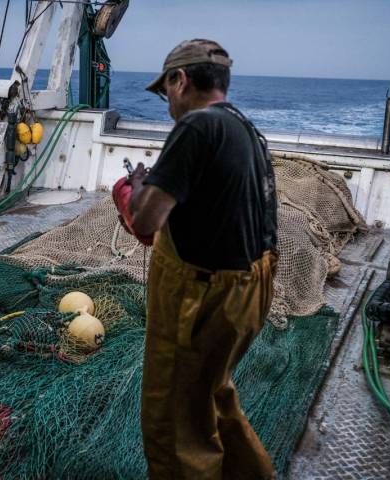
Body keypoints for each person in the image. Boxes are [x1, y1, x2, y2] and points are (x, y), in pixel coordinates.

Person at [112, 39, 278, 479]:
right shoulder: (247, 130)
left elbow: (146, 221)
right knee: (211, 394)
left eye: (166, 92)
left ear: (179, 80)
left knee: (174, 425)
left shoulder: (196, 128)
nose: (167, 104)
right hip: (248, 291)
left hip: (202, 300)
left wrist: (136, 188)